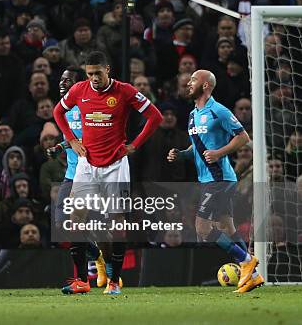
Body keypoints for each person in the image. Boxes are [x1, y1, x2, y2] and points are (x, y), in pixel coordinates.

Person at [53, 51, 163, 295]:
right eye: (89, 73)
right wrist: (71, 140)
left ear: (107, 70)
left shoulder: (124, 91)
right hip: (87, 163)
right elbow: (57, 112)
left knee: (116, 222)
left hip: (115, 165)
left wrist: (135, 144)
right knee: (74, 219)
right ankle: (82, 280)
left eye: (97, 73)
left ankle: (114, 281)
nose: (93, 78)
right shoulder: (79, 90)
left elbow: (155, 117)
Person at [167, 69, 264, 293]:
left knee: (202, 228)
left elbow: (243, 137)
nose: (189, 83)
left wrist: (220, 152)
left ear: (206, 85)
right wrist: (181, 154)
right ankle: (254, 276)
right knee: (226, 226)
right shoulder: (193, 115)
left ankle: (247, 260)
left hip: (219, 178)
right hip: (208, 179)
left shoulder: (218, 111)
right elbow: (198, 147)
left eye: (193, 80)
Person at [47, 66, 105, 294]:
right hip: (71, 175)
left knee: (75, 225)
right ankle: (97, 259)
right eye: (61, 79)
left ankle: (83, 280)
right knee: (63, 225)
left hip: (90, 174)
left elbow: (96, 135)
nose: (62, 83)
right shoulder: (62, 109)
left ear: (80, 85)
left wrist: (63, 145)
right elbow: (73, 139)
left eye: (68, 80)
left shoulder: (89, 106)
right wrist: (59, 147)